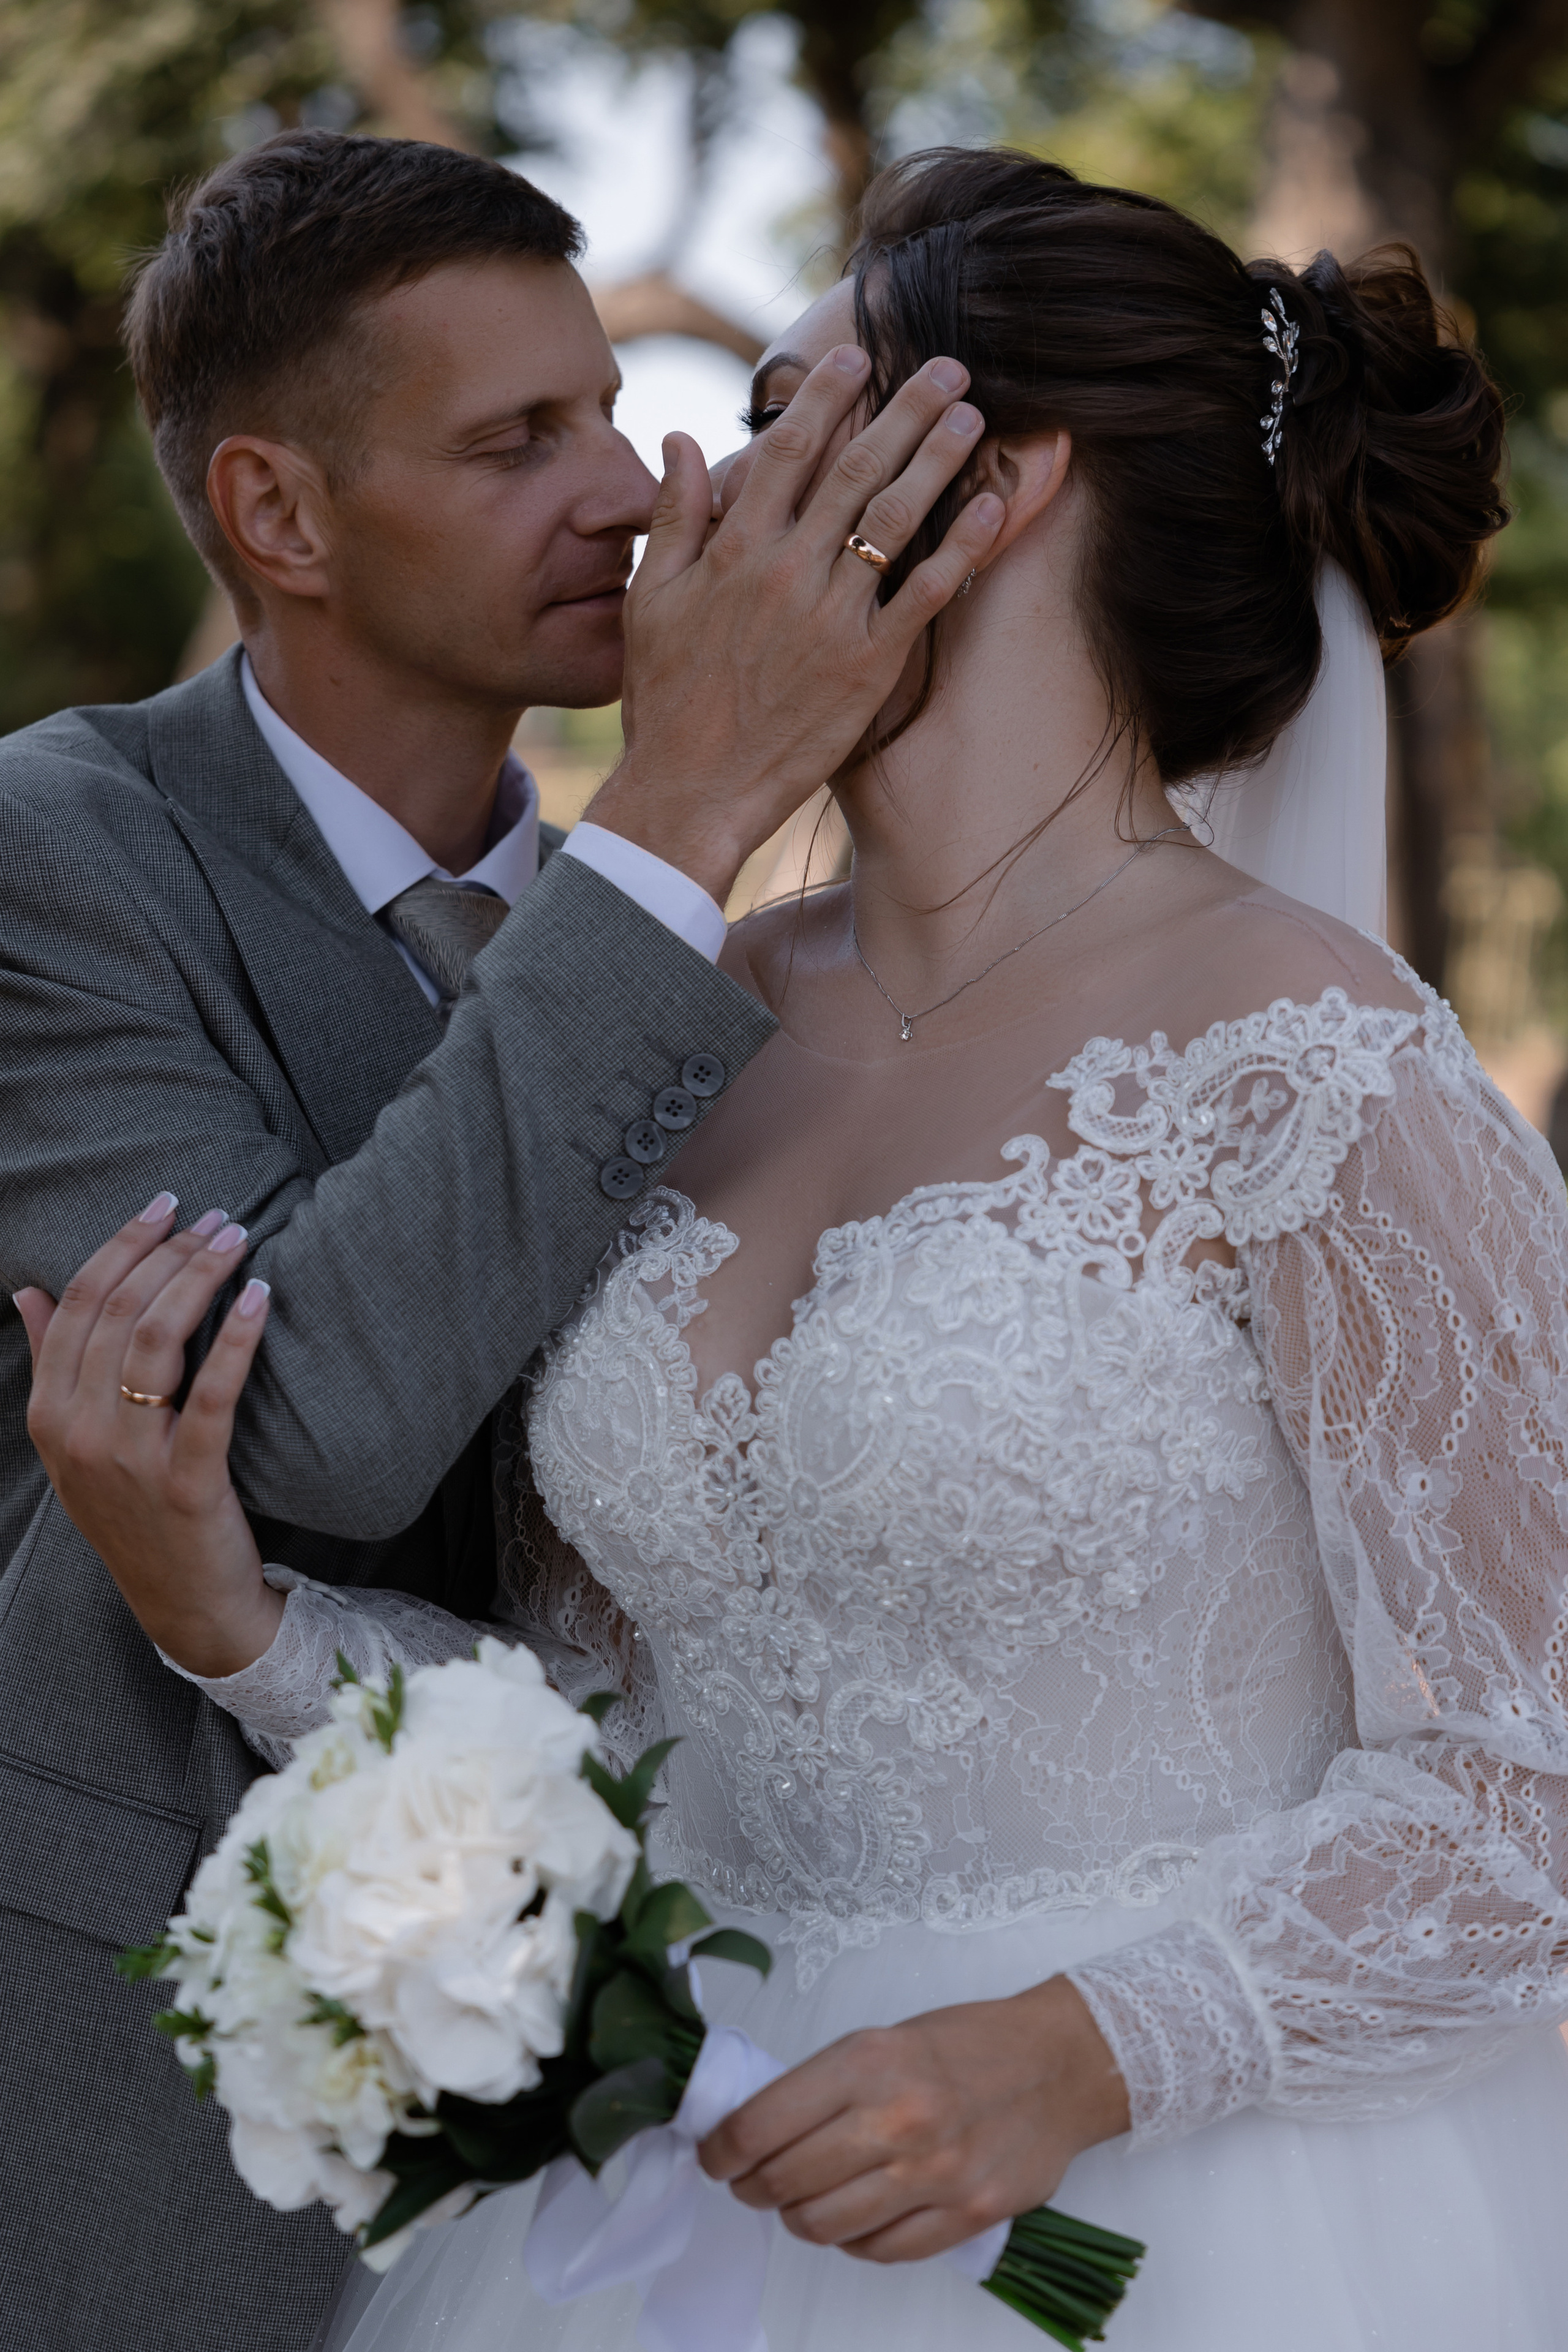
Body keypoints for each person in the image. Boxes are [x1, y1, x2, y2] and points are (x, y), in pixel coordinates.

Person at [22, 144, 1568, 2352]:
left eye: (767, 414)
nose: (679, 494)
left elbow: (1532, 1790)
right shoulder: (682, 1019)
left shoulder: (1316, 1056)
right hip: (675, 2218)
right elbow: (612, 1725)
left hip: (1173, 2228)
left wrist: (1081, 2056)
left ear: (992, 483)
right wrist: (237, 1625)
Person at [0, 128, 1000, 2352]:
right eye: (515, 440)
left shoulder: (714, 956)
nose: (632, 497)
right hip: (163, 2128)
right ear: (279, 515)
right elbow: (316, 1429)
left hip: (697, 2115)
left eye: (609, 414)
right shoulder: (55, 858)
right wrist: (685, 806)